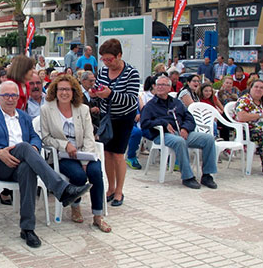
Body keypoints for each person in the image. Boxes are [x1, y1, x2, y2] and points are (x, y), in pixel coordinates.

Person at [0, 81, 90, 248]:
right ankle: (62, 189)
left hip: (23, 163)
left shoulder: (24, 116)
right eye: (6, 95)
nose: (10, 99)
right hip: (2, 164)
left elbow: (35, 138)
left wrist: (35, 147)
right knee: (23, 146)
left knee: (27, 166)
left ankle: (27, 229)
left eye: (14, 95)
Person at [39, 75, 110, 231]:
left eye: (68, 89)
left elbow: (89, 136)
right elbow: (46, 137)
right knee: (78, 175)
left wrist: (85, 160)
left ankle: (98, 216)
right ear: (55, 91)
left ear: (74, 91)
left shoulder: (82, 109)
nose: (64, 93)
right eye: (61, 89)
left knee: (95, 172)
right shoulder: (46, 109)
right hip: (62, 155)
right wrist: (65, 145)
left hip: (85, 152)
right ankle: (75, 205)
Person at [140, 76, 219, 189]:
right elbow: (144, 123)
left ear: (169, 88)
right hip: (163, 135)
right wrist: (162, 122)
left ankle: (207, 175)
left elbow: (190, 118)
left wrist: (185, 128)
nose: (160, 87)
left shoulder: (176, 103)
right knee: (180, 141)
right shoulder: (150, 106)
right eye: (158, 85)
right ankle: (187, 177)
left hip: (181, 132)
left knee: (208, 139)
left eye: (164, 85)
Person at [93, 39, 140, 207]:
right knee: (107, 154)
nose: (106, 63)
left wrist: (110, 94)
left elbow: (131, 99)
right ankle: (110, 187)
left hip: (124, 118)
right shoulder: (103, 72)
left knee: (119, 154)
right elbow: (98, 88)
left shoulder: (131, 73)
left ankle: (119, 190)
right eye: (104, 60)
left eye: (109, 59)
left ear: (119, 55)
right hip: (107, 117)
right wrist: (96, 94)